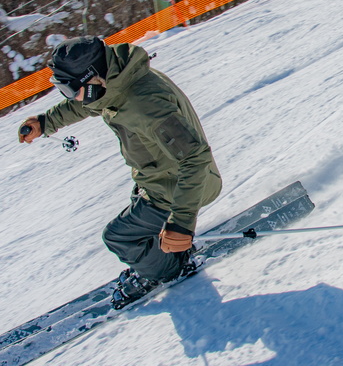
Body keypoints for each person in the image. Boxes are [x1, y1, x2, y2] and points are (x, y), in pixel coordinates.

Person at [19, 36, 222, 309]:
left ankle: (171, 267)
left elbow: (195, 159)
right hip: (158, 179)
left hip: (180, 187)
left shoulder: (144, 103)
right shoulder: (116, 81)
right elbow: (84, 104)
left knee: (119, 237)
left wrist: (182, 223)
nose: (68, 96)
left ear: (92, 79)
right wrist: (46, 122)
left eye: (68, 88)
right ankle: (162, 253)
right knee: (136, 218)